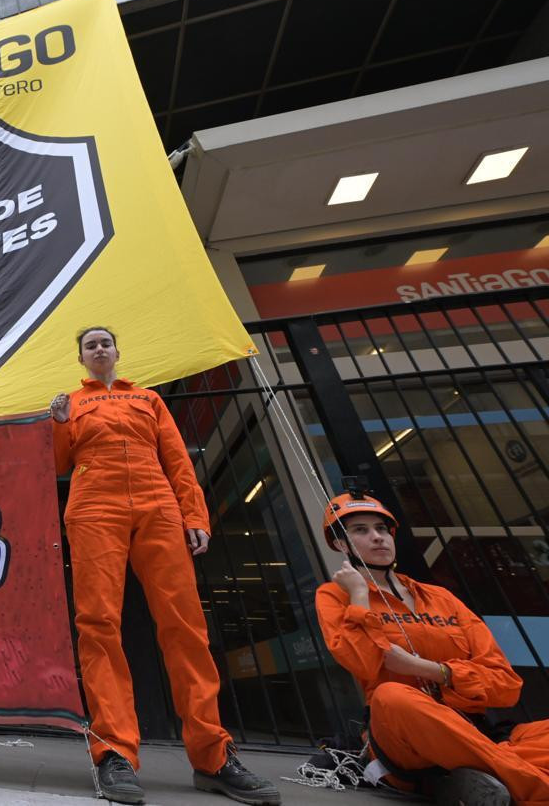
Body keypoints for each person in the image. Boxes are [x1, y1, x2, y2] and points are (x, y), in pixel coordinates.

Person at [49, 326, 279, 805]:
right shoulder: (71, 402)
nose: (98, 349)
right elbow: (58, 465)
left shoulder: (150, 400)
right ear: (81, 358)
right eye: (89, 345)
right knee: (97, 624)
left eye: (105, 343)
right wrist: (56, 423)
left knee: (186, 625)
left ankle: (213, 755)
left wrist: (194, 514)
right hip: (94, 505)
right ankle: (114, 752)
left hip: (157, 504)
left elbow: (176, 459)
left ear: (117, 351)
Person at [315, 487, 549, 805]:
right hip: (404, 739)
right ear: (341, 544)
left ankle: (479, 775)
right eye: (361, 530)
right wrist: (359, 597)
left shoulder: (442, 598)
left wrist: (430, 670)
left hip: (480, 732)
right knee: (392, 695)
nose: (377, 537)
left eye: (382, 529)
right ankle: (533, 786)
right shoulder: (334, 595)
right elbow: (364, 664)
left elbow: (506, 686)